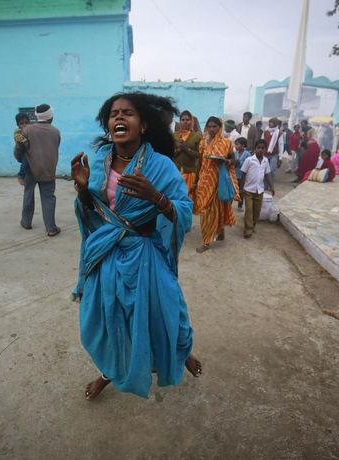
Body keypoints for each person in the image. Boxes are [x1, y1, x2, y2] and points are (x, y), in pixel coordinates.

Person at [70, 92, 201, 400]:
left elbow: (183, 210)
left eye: (127, 113)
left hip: (145, 252)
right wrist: (83, 191)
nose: (119, 118)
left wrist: (156, 197)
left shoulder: (162, 166)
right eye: (114, 114)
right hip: (108, 256)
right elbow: (93, 217)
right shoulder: (98, 167)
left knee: (169, 313)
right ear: (108, 125)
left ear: (142, 125)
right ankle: (109, 373)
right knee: (111, 319)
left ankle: (181, 354)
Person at [194, 116, 239, 253]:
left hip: (219, 182)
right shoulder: (203, 142)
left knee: (215, 209)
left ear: (220, 128)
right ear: (206, 127)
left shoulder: (227, 143)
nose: (212, 129)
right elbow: (200, 162)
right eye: (209, 126)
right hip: (205, 181)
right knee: (205, 209)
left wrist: (226, 161)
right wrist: (196, 181)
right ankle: (220, 231)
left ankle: (207, 241)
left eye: (215, 126)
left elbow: (234, 159)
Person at [18, 104, 61, 236]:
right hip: (48, 170)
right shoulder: (56, 132)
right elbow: (56, 146)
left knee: (28, 195)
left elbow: (19, 149)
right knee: (48, 198)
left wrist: (22, 162)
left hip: (31, 169)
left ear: (37, 116)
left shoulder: (27, 130)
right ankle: (51, 228)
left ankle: (26, 222)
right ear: (51, 116)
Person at [239, 139, 273, 238]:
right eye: (258, 148)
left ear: (265, 149)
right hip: (249, 190)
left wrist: (272, 186)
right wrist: (241, 188)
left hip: (260, 190)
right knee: (249, 210)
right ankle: (248, 229)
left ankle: (252, 225)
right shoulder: (249, 160)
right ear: (255, 149)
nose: (260, 150)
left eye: (263, 148)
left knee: (256, 211)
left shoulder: (266, 161)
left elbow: (267, 174)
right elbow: (243, 174)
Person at [173, 110, 202, 196]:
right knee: (176, 197)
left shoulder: (197, 136)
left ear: (192, 121)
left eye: (188, 120)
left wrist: (187, 150)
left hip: (190, 173)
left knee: (188, 197)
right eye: (183, 120)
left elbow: (199, 155)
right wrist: (179, 149)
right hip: (176, 172)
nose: (185, 122)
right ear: (180, 121)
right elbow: (170, 153)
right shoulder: (174, 135)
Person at [13, 113, 31, 189]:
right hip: (21, 153)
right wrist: (26, 141)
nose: (24, 125)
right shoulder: (17, 132)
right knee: (25, 159)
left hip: (28, 152)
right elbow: (20, 140)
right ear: (18, 125)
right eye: (21, 123)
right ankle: (21, 175)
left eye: (26, 123)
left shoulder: (31, 129)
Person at [233, 137, 251, 211]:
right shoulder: (235, 153)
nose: (235, 146)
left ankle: (240, 205)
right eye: (235, 144)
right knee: (233, 189)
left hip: (242, 176)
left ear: (243, 145)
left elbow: (249, 164)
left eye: (237, 144)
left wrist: (239, 162)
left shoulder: (247, 154)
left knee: (241, 190)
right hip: (235, 174)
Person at [263, 117, 283, 182]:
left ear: (275, 124)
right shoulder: (265, 132)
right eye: (269, 122)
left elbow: (281, 145)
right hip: (265, 154)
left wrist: (280, 157)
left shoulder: (279, 133)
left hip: (274, 154)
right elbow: (261, 141)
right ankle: (264, 184)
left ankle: (270, 183)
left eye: (272, 123)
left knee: (271, 169)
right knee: (264, 170)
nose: (270, 124)